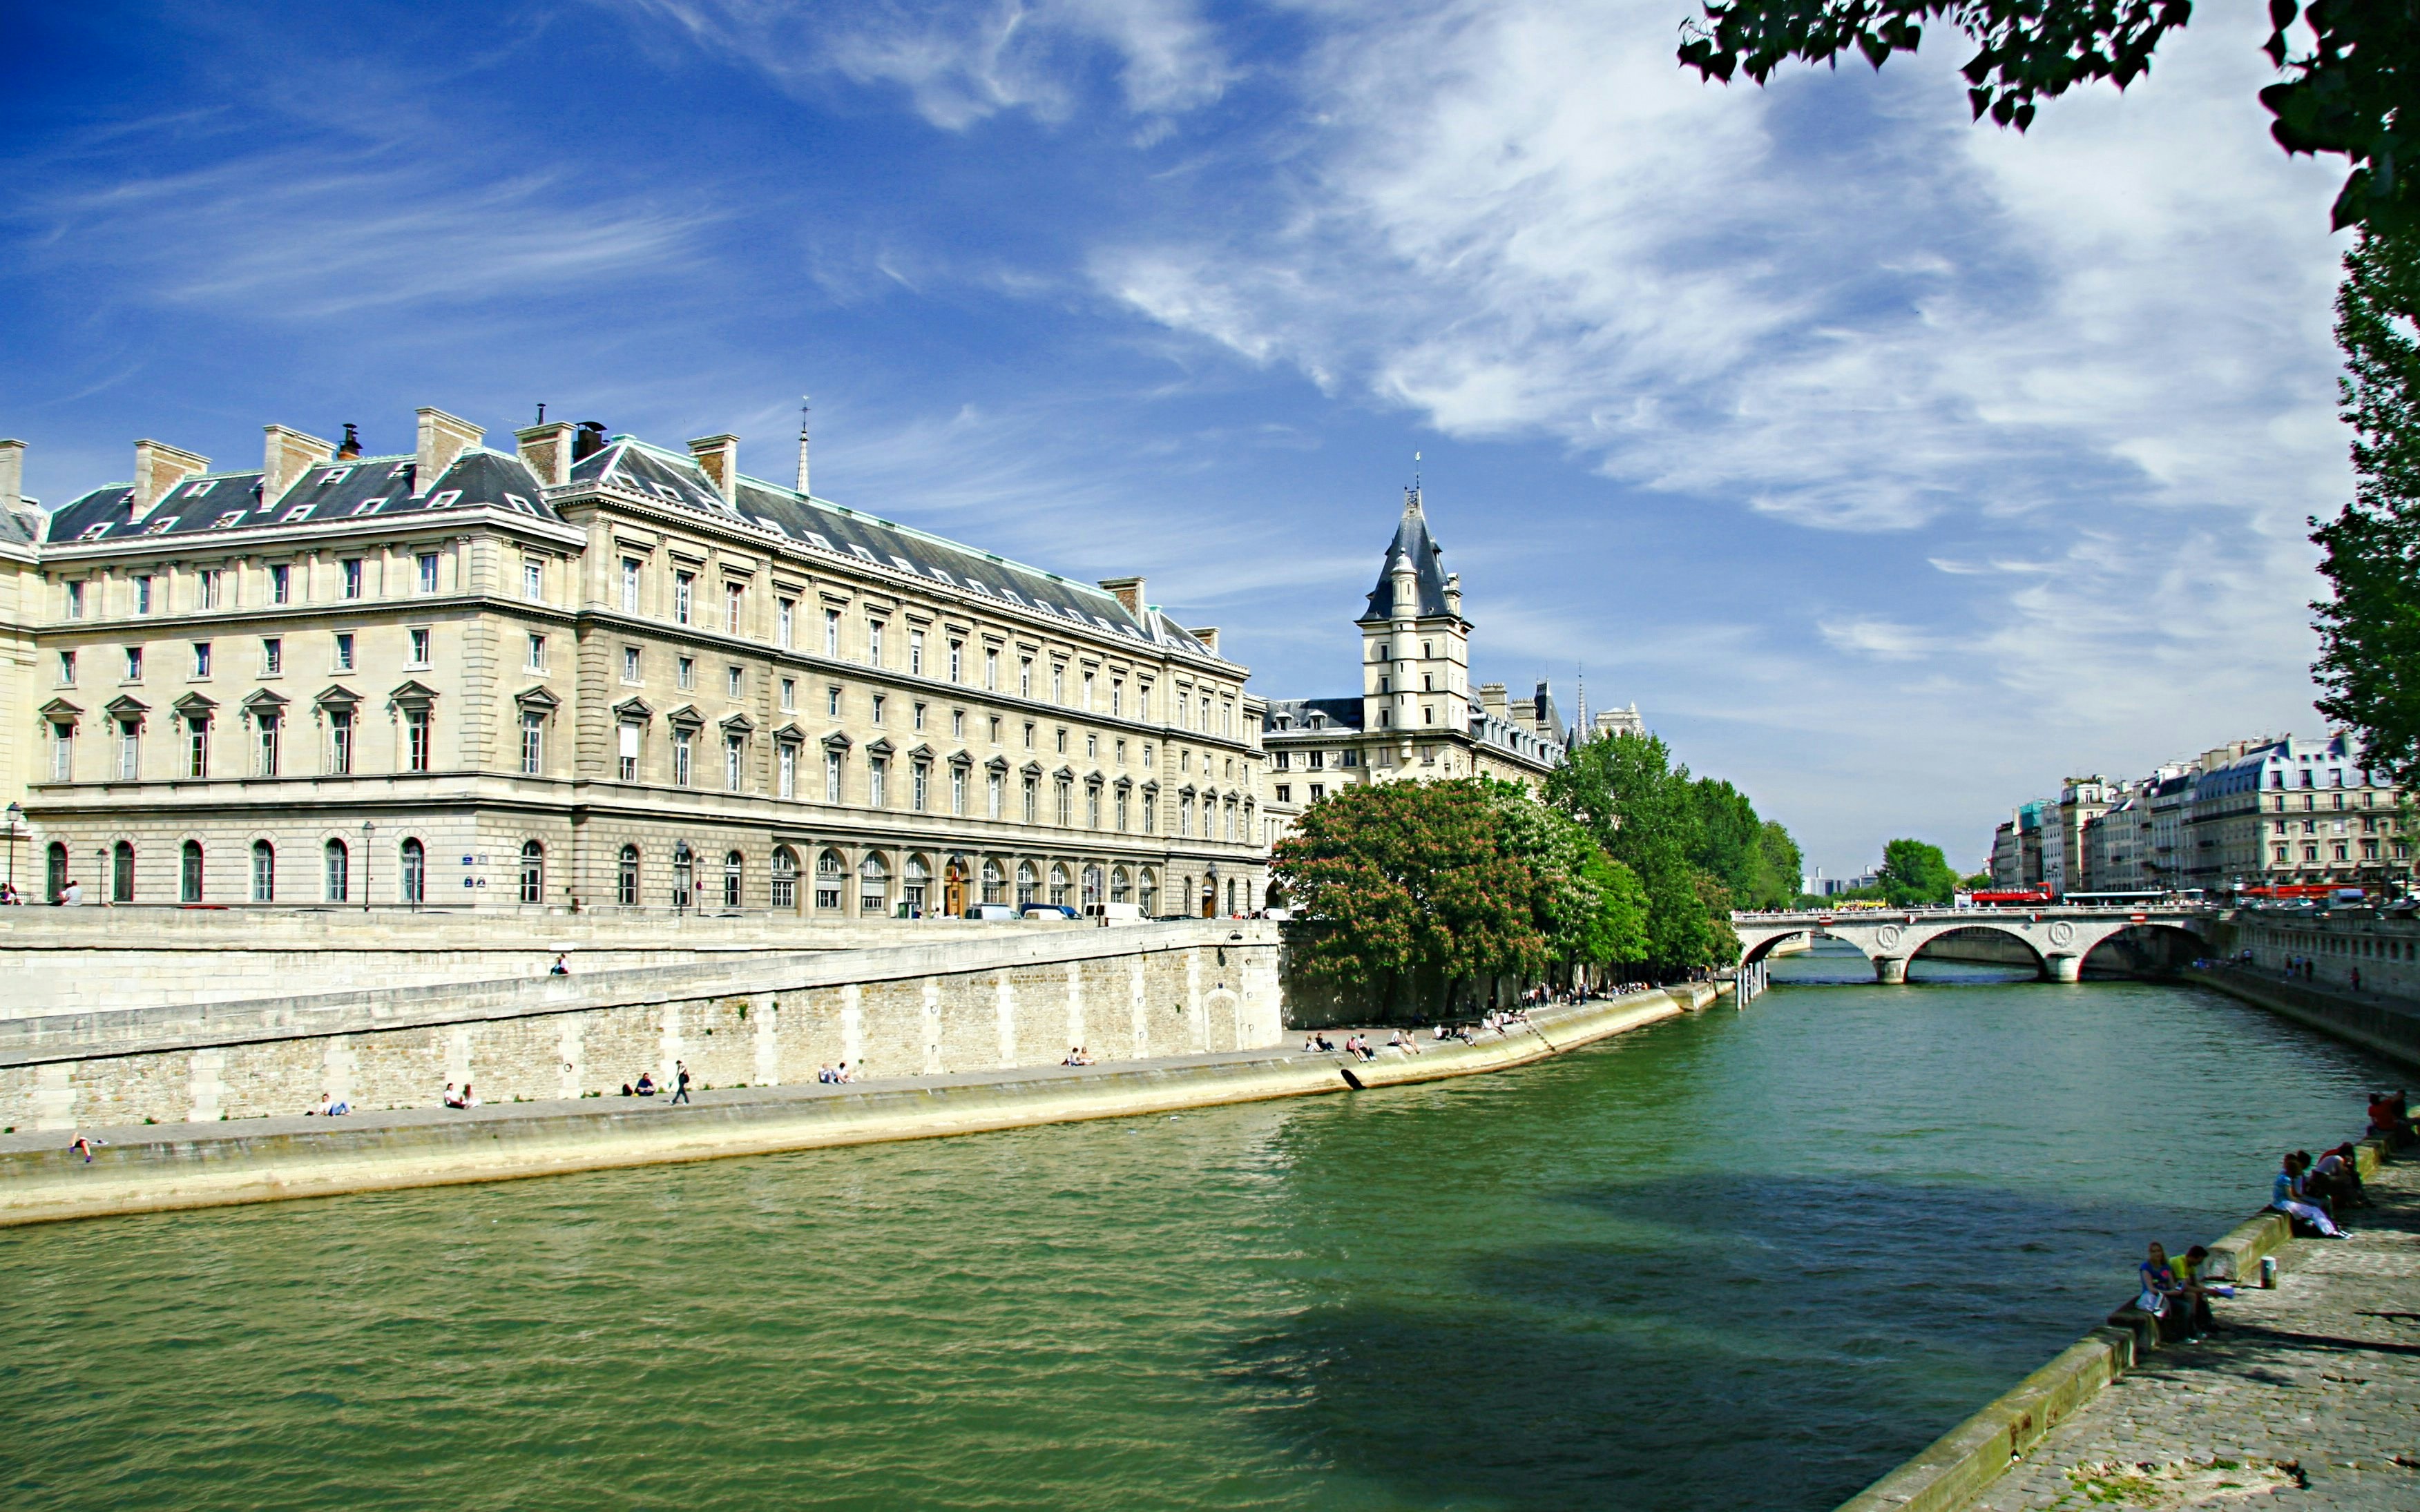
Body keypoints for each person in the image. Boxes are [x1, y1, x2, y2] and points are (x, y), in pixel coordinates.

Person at [2137, 1242, 2202, 1343]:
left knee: (2191, 1298)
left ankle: (2193, 1331)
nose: (2157, 1254)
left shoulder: (2166, 1266)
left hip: (2167, 1295)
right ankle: (2182, 1337)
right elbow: (2151, 1289)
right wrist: (2169, 1293)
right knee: (2184, 1307)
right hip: (2155, 1297)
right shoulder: (2146, 1267)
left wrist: (2179, 1287)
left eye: (2159, 1251)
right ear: (2150, 1253)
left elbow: (2171, 1284)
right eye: (2154, 1251)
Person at [2272, 1152, 2346, 1237]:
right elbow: (2291, 1197)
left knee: (2315, 1210)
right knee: (2314, 1211)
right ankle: (2328, 1231)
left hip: (2286, 1202)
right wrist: (2306, 1204)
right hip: (2283, 1203)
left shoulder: (2286, 1176)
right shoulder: (2285, 1179)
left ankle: (2331, 1229)